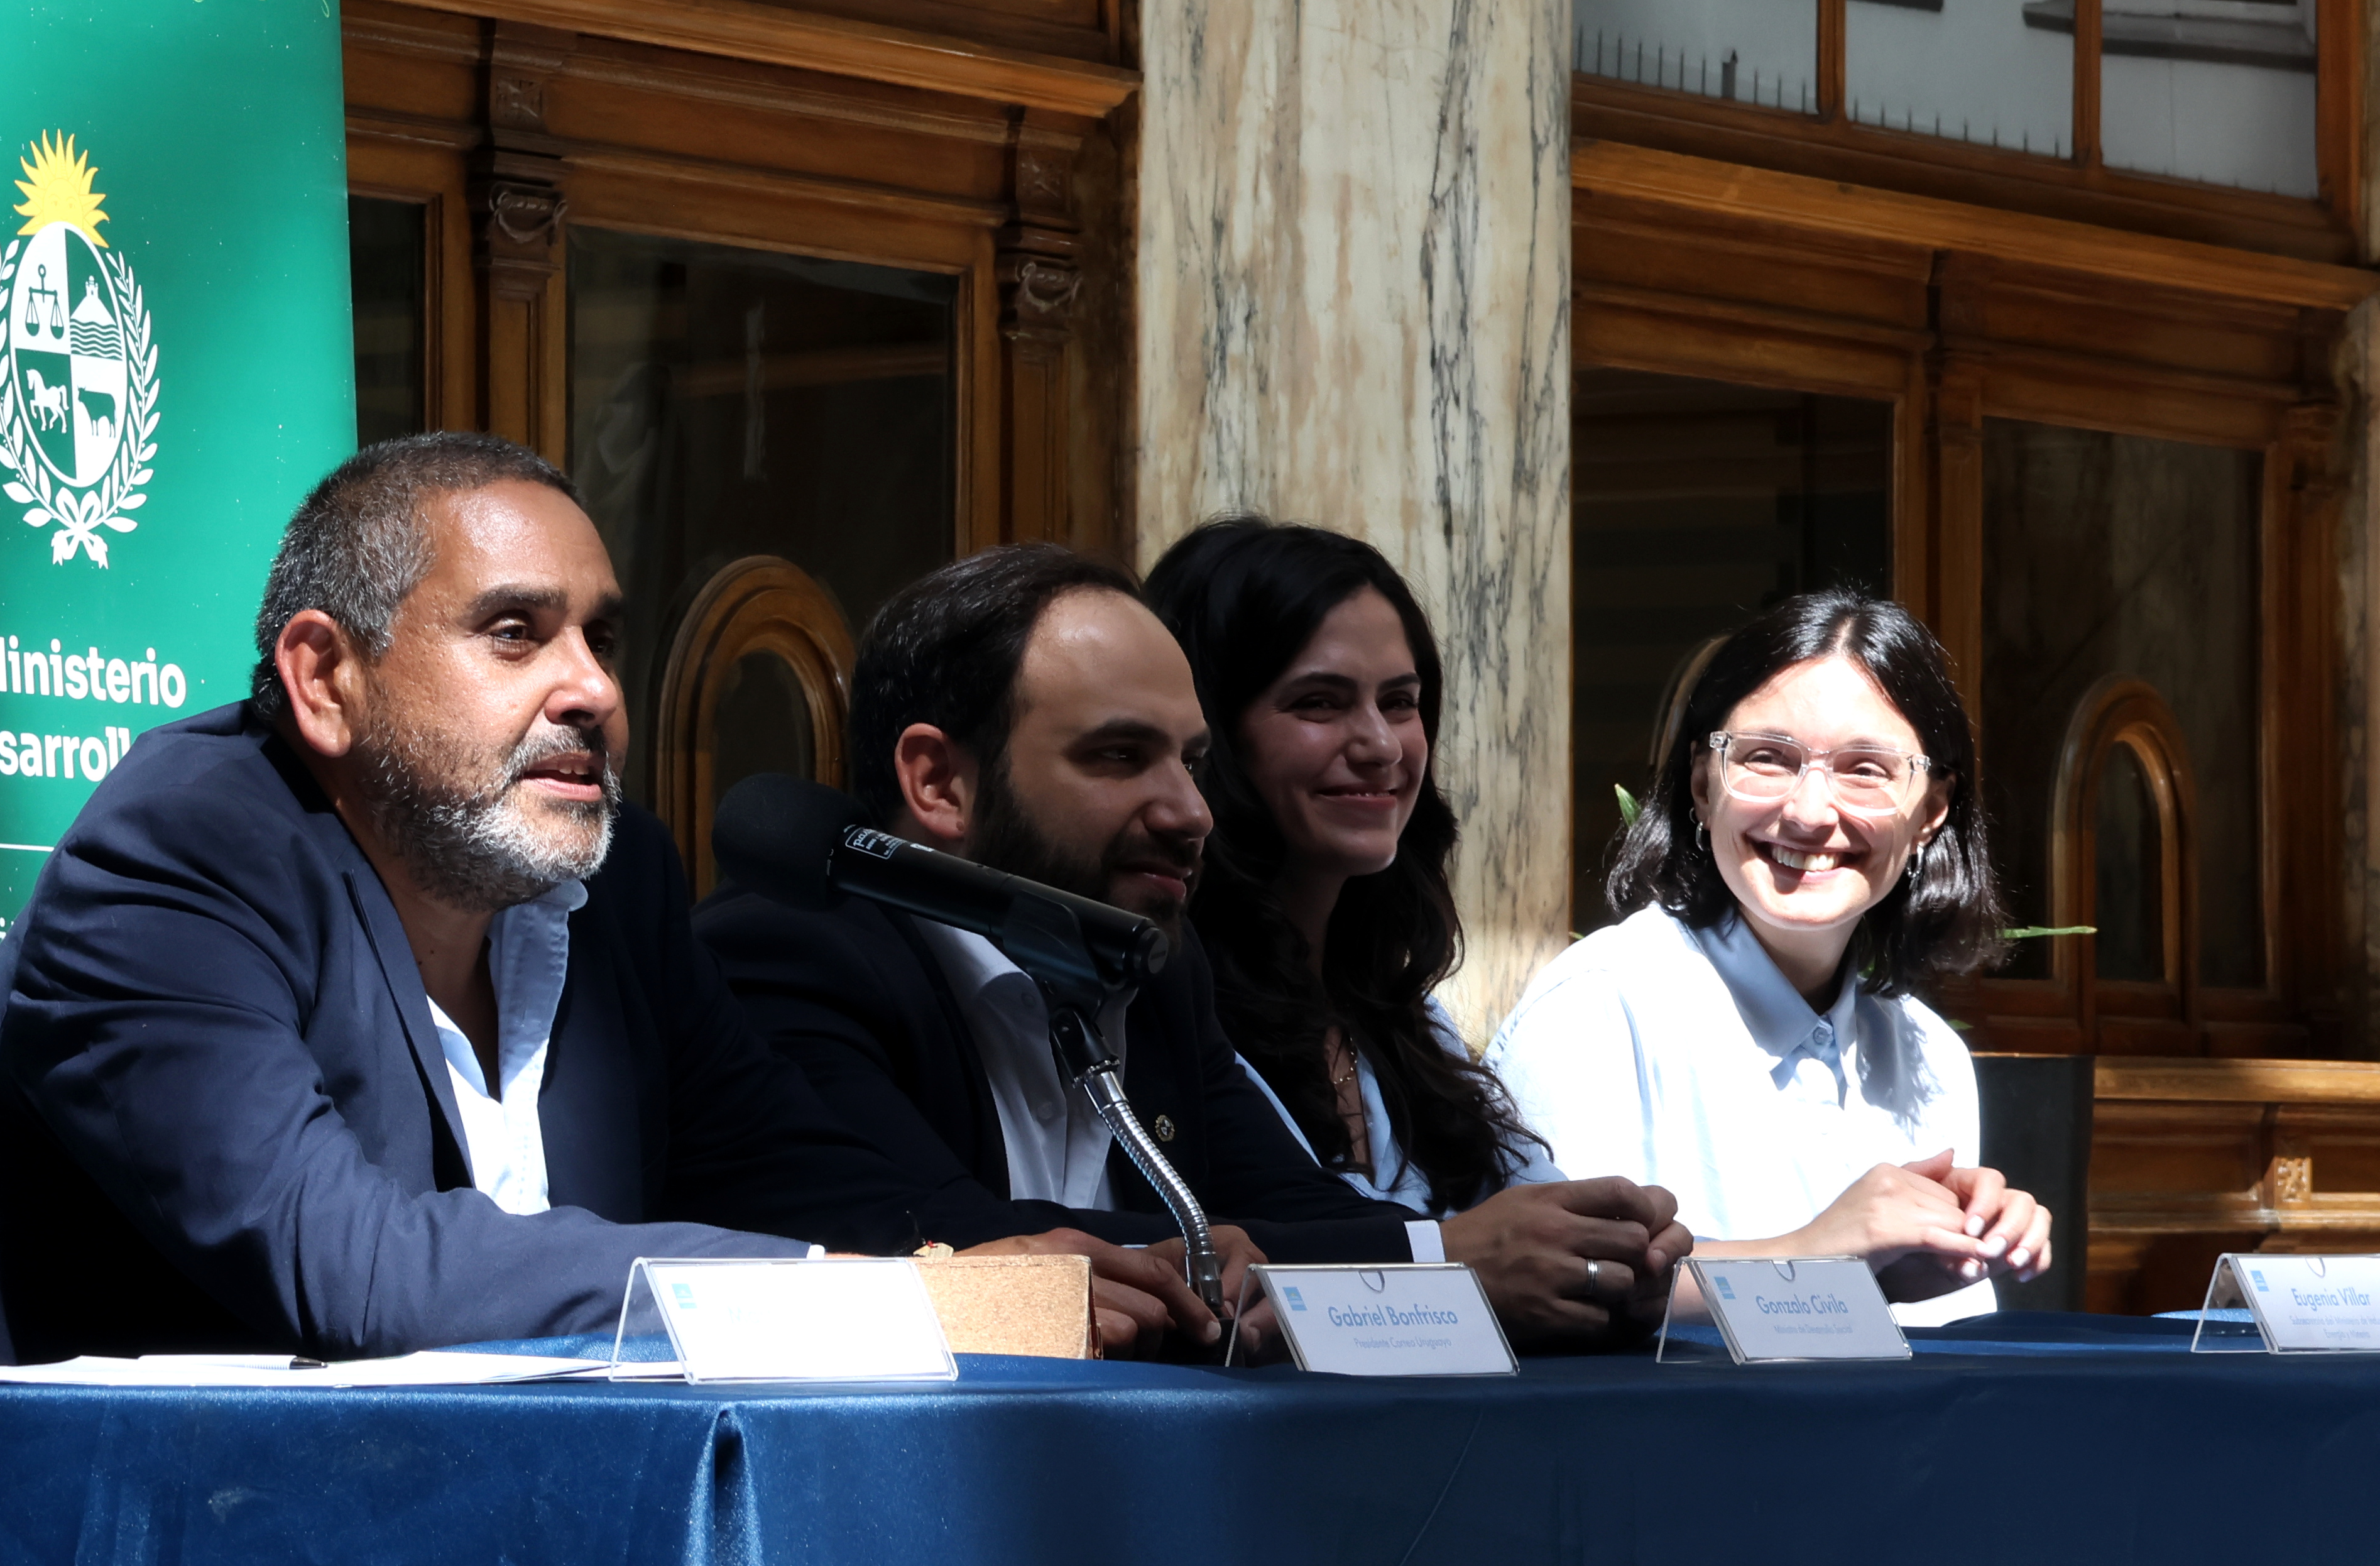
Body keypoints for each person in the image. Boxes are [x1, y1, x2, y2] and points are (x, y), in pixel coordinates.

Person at [0, 431, 972, 1361]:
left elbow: (779, 1168)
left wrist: (998, 1259)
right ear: (325, 679)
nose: (594, 689)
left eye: (602, 640)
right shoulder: (180, 857)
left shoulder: (618, 879)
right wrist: (826, 1290)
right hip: (121, 1551)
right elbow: (357, 1273)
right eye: (516, 633)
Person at [699, 545, 1687, 1354]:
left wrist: (1562, 1254)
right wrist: (1451, 1261)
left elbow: (1290, 1212)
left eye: (1196, 762)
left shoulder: (1158, 971)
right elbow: (955, 1242)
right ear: (938, 784)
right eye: (1122, 758)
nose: (1191, 813)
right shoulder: (787, 958)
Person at [1144, 518, 1686, 1339]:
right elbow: (1276, 1265)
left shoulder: (1400, 1010)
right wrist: (1463, 1263)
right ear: (1204, 736)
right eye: (1319, 703)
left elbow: (1531, 1227)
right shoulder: (1159, 1001)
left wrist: (1617, 1256)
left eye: (1400, 702)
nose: (1379, 745)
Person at [1490, 587, 2050, 1324]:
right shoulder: (1601, 1009)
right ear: (1702, 782)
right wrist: (1820, 1253)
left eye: (1866, 769)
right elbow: (1562, 1295)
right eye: (1766, 758)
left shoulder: (1929, 1056)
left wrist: (1967, 1243)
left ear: (1932, 810)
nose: (1810, 810)